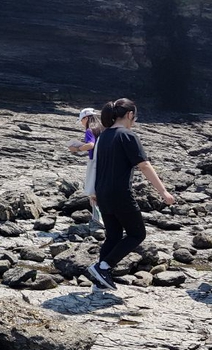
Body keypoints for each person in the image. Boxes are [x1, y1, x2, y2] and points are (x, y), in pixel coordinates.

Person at [86, 98, 175, 291]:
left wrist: (94, 193)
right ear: (130, 115)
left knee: (114, 235)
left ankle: (99, 282)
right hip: (120, 193)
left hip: (102, 193)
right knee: (137, 233)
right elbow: (143, 165)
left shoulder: (104, 136)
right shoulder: (127, 135)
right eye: (135, 116)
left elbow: (97, 166)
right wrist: (163, 192)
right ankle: (103, 267)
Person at [69, 107, 103, 227]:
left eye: (82, 120)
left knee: (92, 191)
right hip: (105, 162)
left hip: (94, 163)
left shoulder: (90, 130)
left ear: (86, 118)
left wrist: (77, 148)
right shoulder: (103, 128)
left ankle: (98, 219)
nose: (82, 123)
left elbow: (90, 145)